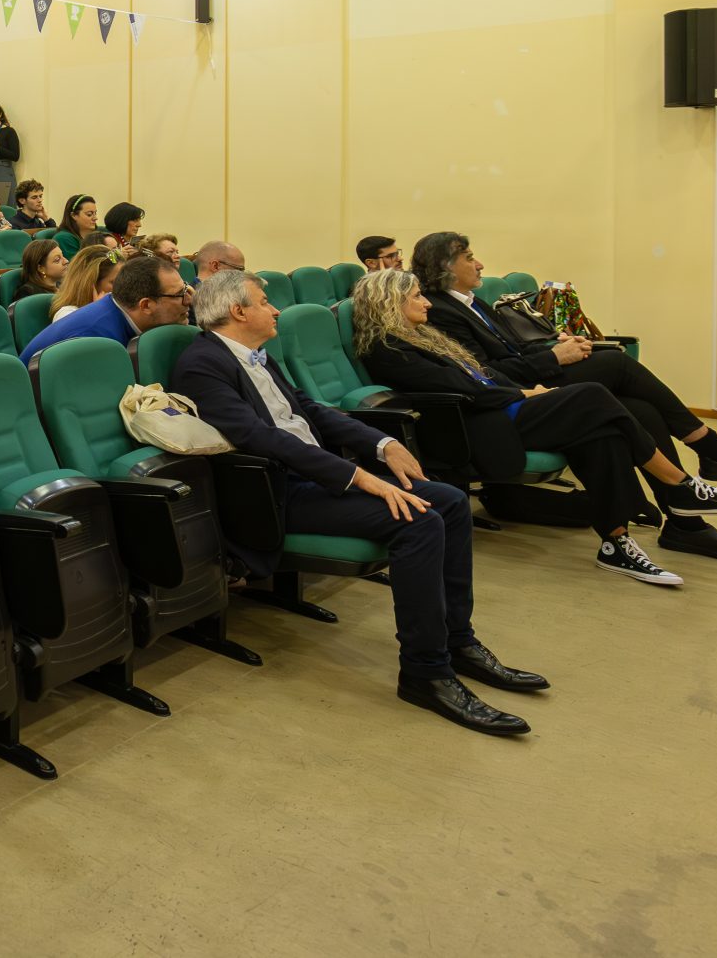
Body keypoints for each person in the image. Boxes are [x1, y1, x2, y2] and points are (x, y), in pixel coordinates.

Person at [172, 269, 543, 736]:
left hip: (315, 478)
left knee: (449, 502)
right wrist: (359, 477)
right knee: (418, 520)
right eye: (264, 302)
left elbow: (309, 410)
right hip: (278, 492)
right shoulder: (202, 364)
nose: (275, 309)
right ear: (237, 311)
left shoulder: (255, 355)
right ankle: (425, 672)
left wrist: (383, 445)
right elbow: (259, 438)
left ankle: (458, 641)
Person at [352, 269, 717, 584]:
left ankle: (616, 542)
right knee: (593, 395)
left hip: (504, 407)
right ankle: (680, 487)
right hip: (480, 425)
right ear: (389, 303)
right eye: (416, 296)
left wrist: (525, 390)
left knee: (603, 429)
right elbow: (461, 390)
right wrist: (525, 393)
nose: (426, 301)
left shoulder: (423, 335)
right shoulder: (386, 347)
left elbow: (483, 374)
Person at [414, 231, 717, 563]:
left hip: (528, 375)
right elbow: (486, 371)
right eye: (469, 258)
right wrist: (553, 358)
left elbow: (512, 349)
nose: (479, 264)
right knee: (616, 365)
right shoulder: (440, 310)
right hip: (513, 395)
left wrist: (557, 346)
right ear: (445, 267)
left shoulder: (471, 302)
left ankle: (686, 525)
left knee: (641, 409)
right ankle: (714, 451)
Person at [21, 253, 189, 364]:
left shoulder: (120, 311)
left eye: (186, 288)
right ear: (145, 305)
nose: (189, 300)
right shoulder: (95, 341)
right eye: (179, 294)